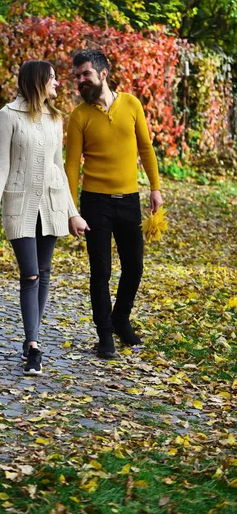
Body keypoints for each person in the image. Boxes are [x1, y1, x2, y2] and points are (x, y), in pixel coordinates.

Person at [0, 60, 88, 376]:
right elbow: (1, 165)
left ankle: (33, 341)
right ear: (38, 81)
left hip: (53, 203)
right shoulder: (8, 115)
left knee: (44, 273)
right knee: (30, 274)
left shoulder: (56, 118)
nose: (58, 83)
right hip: (20, 204)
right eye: (53, 78)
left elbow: (58, 166)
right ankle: (33, 345)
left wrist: (73, 213)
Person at [65, 49, 163, 359]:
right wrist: (72, 211)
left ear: (103, 73)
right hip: (96, 203)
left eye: (85, 74)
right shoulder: (79, 116)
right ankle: (104, 334)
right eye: (77, 76)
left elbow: (146, 149)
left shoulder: (132, 104)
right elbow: (71, 166)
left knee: (134, 267)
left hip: (130, 200)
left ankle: (121, 320)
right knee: (101, 271)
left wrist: (155, 188)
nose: (80, 80)